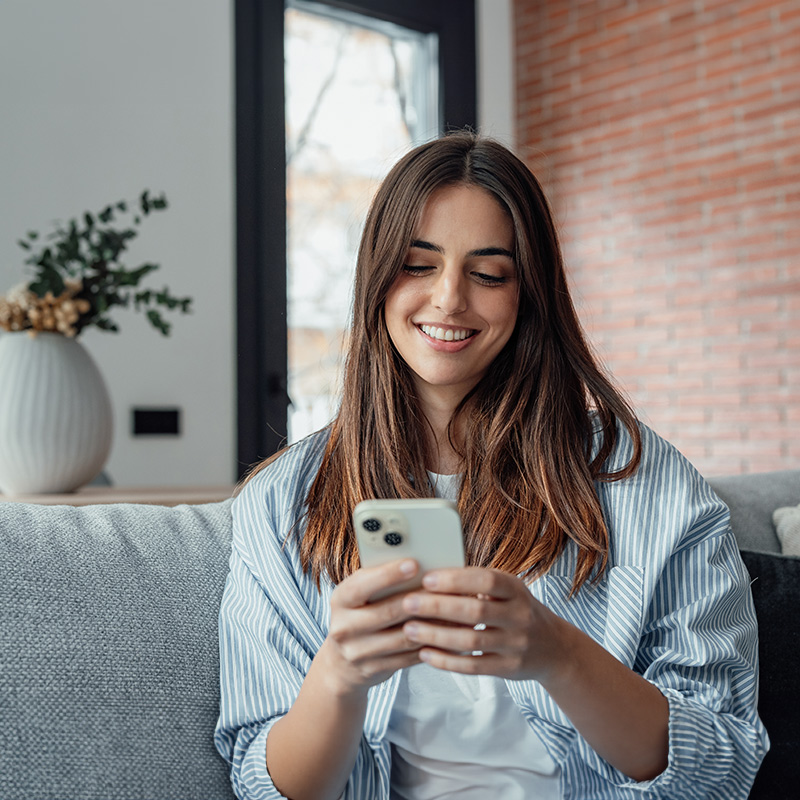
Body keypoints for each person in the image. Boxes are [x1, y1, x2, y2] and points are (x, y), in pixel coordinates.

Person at [214, 131, 768, 799]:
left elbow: (724, 766)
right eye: (419, 265)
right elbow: (262, 784)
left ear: (527, 293)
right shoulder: (281, 504)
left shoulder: (645, 484)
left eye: (488, 273)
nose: (449, 298)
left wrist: (557, 654)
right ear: (376, 280)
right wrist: (338, 674)